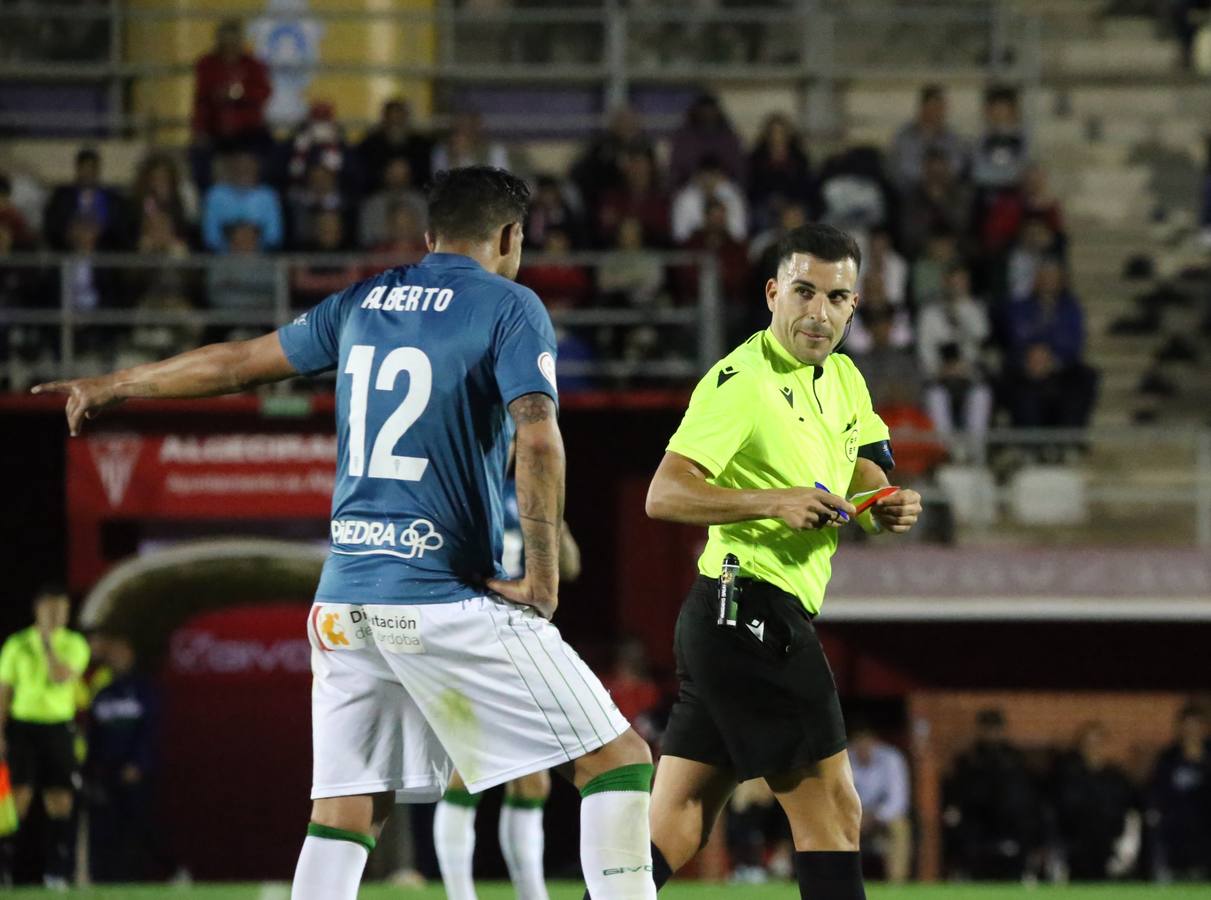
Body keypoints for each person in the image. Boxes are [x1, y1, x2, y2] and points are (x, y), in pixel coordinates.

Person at [33, 165, 657, 900]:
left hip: (343, 605)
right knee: (617, 760)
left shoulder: (364, 300)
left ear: (429, 237)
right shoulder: (509, 305)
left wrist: (113, 385)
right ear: (510, 237)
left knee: (345, 813)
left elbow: (238, 363)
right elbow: (540, 439)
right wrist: (543, 573)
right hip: (439, 598)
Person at [623, 224, 922, 900]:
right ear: (771, 293)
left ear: (854, 305)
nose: (818, 312)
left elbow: (864, 466)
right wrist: (773, 503)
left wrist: (884, 503)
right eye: (804, 291)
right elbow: (662, 495)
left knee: (678, 822)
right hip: (750, 608)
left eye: (837, 297)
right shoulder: (740, 382)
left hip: (724, 618)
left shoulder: (844, 376)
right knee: (835, 814)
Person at [433, 459, 583, 900]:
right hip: (472, 638)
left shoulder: (531, 494)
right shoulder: (464, 489)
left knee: (532, 780)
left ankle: (531, 893)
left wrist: (555, 518)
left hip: (522, 641)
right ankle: (461, 895)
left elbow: (570, 566)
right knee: (467, 772)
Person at [0, 586, 91, 889]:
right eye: (51, 611)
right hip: (23, 727)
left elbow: (60, 676)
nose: (57, 617)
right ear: (38, 611)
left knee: (60, 800)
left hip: (58, 727)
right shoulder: (16, 644)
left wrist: (49, 646)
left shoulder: (75, 644)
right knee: (18, 800)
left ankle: (55, 872)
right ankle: (6, 871)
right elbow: (4, 691)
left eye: (62, 611)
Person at [85, 632, 159, 883]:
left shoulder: (144, 689)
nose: (116, 657)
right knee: (107, 827)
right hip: (106, 771)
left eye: (121, 652)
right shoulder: (102, 691)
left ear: (131, 654)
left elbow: (152, 729)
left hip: (135, 770)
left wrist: (140, 762)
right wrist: (92, 769)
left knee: (140, 825)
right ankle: (108, 877)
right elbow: (93, 734)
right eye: (112, 653)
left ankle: (152, 874)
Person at [942, 708, 1045, 881]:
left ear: (1002, 730)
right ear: (980, 730)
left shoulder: (1015, 758)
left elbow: (1029, 794)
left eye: (995, 728)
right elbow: (958, 793)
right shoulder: (968, 759)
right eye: (987, 728)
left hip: (1012, 821)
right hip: (977, 819)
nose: (992, 733)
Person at [916, 265, 993, 459]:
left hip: (968, 377)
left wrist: (965, 367)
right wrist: (940, 370)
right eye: (952, 282)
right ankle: (947, 454)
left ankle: (976, 455)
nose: (956, 287)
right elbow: (924, 350)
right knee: (936, 397)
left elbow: (980, 345)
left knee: (981, 395)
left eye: (961, 282)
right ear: (944, 283)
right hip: (939, 378)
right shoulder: (930, 313)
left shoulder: (976, 311)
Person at [1051, 721, 1140, 881]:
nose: (1093, 748)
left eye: (1098, 743)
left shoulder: (1117, 778)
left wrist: (1125, 847)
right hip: (1076, 849)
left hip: (1110, 848)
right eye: (1088, 743)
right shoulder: (1068, 776)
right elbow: (1058, 812)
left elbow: (1131, 814)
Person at [1147, 702, 1211, 881]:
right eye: (1187, 726)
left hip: (1205, 836)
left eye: (1195, 725)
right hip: (1176, 836)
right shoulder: (1167, 759)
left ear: (1203, 727)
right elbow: (1157, 795)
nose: (1191, 731)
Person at [191, 19, 272, 152]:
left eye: (233, 44)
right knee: (199, 152)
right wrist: (199, 129)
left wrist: (240, 93)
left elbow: (264, 92)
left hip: (248, 129)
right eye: (226, 44)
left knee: (270, 151)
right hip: (215, 128)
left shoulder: (253, 65)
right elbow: (201, 100)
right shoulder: (207, 65)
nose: (230, 48)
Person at [848, 720, 911, 883]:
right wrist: (857, 817)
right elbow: (838, 797)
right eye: (858, 742)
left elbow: (898, 801)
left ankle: (896, 886)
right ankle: (835, 884)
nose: (863, 747)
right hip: (852, 819)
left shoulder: (891, 758)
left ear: (875, 741)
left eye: (866, 741)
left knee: (900, 827)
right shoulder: (844, 760)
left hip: (881, 819)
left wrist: (875, 817)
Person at [201, 150, 283, 252]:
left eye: (248, 167)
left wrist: (253, 247)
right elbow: (211, 236)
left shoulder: (268, 195)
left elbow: (273, 236)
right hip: (223, 257)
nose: (243, 171)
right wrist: (230, 248)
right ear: (231, 169)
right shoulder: (216, 194)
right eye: (239, 167)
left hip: (260, 256)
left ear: (256, 168)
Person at [889, 84, 968, 189]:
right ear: (923, 107)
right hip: (911, 191)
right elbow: (904, 168)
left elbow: (957, 166)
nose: (939, 112)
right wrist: (930, 178)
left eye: (941, 108)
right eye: (934, 107)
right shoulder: (905, 136)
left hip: (945, 191)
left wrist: (939, 178)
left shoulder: (952, 137)